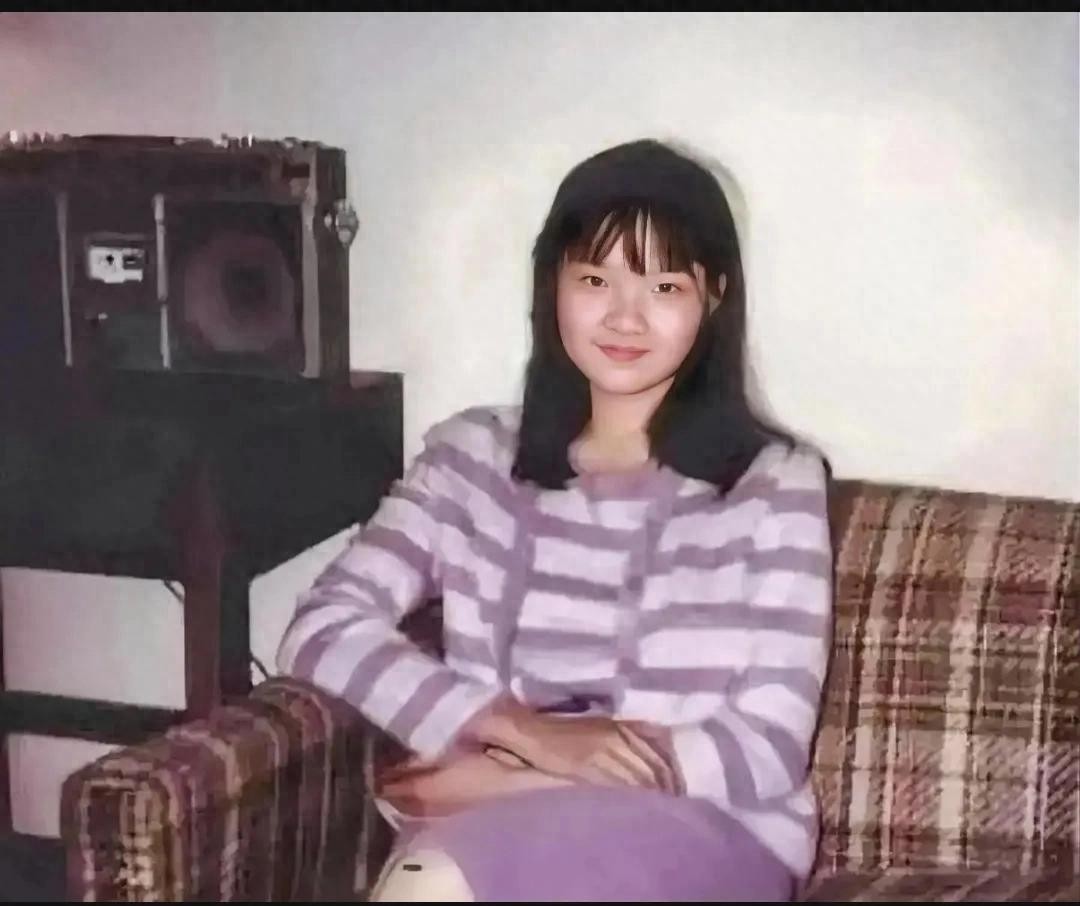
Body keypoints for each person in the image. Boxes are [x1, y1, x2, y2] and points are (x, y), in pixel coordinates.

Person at [276, 138, 833, 902]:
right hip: (485, 831)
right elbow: (322, 628)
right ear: (554, 285)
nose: (625, 316)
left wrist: (525, 779)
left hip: (705, 832)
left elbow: (772, 740)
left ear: (714, 297)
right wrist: (516, 728)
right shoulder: (472, 458)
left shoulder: (774, 484)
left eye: (665, 285)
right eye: (595, 279)